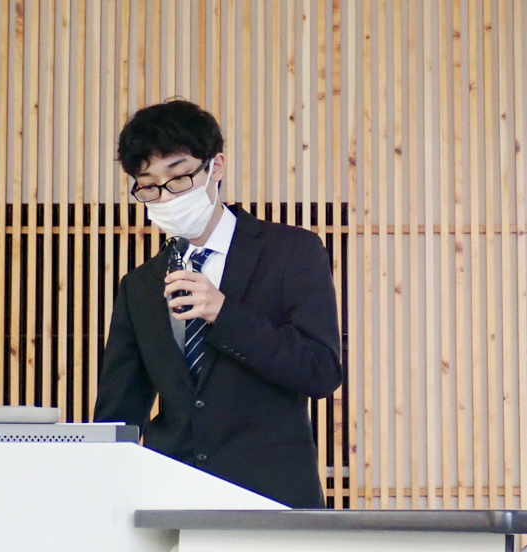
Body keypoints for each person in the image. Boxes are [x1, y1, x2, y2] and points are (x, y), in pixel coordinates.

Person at [93, 99, 342, 508]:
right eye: (149, 185)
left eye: (179, 177)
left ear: (216, 167)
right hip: (170, 496)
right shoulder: (140, 285)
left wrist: (224, 313)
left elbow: (320, 371)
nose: (165, 196)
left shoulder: (291, 252)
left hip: (272, 496)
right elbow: (118, 413)